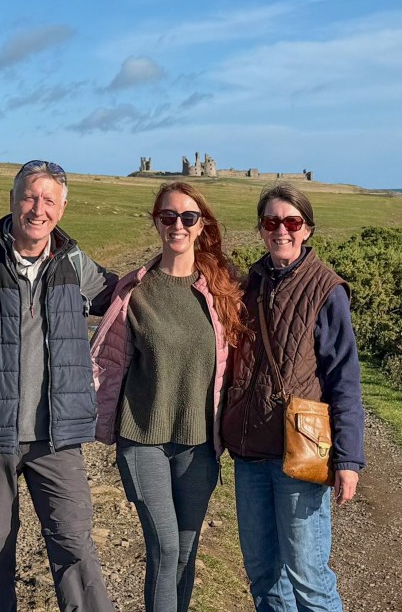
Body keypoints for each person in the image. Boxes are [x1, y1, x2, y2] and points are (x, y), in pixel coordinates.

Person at [0, 159, 118, 612]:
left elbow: (129, 296)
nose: (38, 208)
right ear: (12, 201)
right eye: (30, 196)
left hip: (57, 439)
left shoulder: (75, 265)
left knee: (75, 546)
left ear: (63, 208)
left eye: (49, 200)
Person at [91, 181, 247, 612]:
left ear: (201, 226)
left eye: (188, 217)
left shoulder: (221, 289)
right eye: (168, 217)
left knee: (184, 553)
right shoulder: (134, 291)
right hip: (143, 441)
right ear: (156, 223)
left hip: (199, 447)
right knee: (163, 548)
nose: (177, 225)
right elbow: (105, 361)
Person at [221, 182, 365, 612]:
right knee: (264, 575)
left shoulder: (327, 289)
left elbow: (345, 380)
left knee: (309, 579)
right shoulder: (249, 285)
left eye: (291, 222)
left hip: (299, 452)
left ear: (307, 230)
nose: (280, 230)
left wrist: (348, 459)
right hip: (249, 453)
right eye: (271, 222)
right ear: (261, 229)